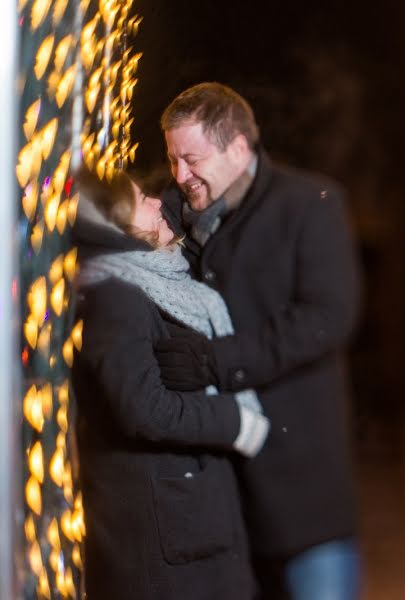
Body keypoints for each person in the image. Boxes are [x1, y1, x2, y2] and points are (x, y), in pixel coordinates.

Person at [153, 82, 362, 600]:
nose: (180, 175)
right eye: (173, 160)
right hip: (222, 505)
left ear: (239, 148)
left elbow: (329, 316)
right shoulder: (171, 209)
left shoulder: (309, 204)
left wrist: (218, 362)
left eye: (192, 159)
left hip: (305, 495)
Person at [71, 167, 270, 600]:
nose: (160, 202)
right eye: (142, 200)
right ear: (112, 224)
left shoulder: (155, 281)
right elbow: (143, 407)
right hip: (167, 543)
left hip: (190, 529)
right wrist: (233, 419)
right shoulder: (116, 296)